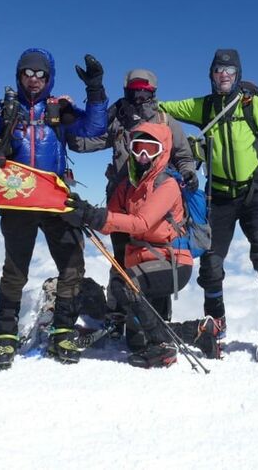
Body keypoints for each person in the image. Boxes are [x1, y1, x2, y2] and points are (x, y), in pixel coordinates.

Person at [159, 49, 258, 362]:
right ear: (211, 74)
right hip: (219, 197)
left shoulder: (253, 106)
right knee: (211, 262)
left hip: (255, 195)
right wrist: (137, 100)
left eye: (231, 71)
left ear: (237, 75)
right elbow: (162, 108)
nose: (224, 75)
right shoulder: (203, 106)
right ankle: (215, 324)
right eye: (219, 70)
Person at [0, 49, 108, 369]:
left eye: (40, 74)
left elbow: (93, 128)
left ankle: (63, 331)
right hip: (18, 199)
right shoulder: (2, 110)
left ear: (49, 77)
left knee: (72, 266)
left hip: (55, 198)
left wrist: (95, 89)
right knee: (15, 269)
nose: (34, 80)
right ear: (18, 75)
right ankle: (5, 338)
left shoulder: (59, 110)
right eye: (27, 73)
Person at [66, 122, 221, 368]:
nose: (143, 156)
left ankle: (163, 347)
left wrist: (91, 216)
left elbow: (141, 223)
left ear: (163, 151)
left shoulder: (167, 184)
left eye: (151, 148)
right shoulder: (127, 186)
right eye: (138, 148)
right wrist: (82, 211)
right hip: (144, 262)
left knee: (123, 284)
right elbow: (113, 222)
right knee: (137, 343)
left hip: (172, 262)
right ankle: (198, 332)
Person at [67, 68, 197, 325]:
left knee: (154, 255)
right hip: (121, 198)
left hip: (155, 202)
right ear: (127, 89)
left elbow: (184, 155)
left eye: (144, 90)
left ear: (153, 92)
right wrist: (67, 123)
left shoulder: (165, 122)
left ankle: (155, 320)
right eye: (134, 89)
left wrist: (187, 174)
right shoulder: (118, 119)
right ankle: (121, 314)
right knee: (121, 256)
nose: (139, 95)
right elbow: (85, 142)